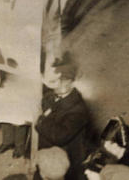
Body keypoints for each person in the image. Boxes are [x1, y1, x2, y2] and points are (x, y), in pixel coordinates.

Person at [36, 52, 91, 180]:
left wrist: (41, 121)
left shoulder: (78, 110)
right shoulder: (49, 97)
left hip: (65, 162)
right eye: (55, 81)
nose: (57, 85)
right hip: (46, 156)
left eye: (63, 81)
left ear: (71, 82)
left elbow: (59, 136)